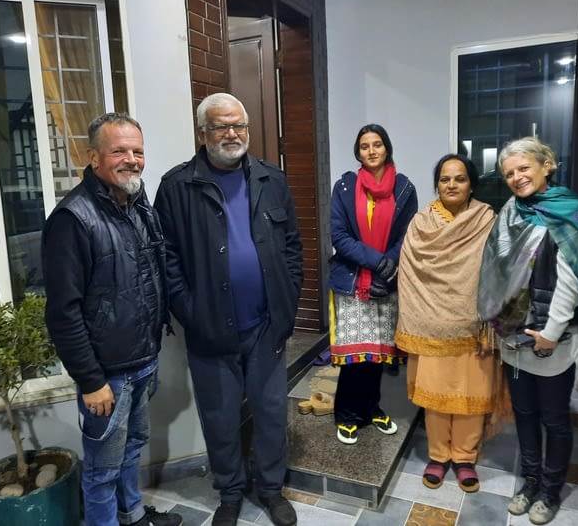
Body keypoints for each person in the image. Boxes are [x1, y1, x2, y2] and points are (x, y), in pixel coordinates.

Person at [153, 93, 303, 526]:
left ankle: (271, 490)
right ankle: (231, 493)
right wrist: (190, 311)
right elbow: (166, 258)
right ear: (203, 133)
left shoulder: (271, 179)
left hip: (266, 325)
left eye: (239, 125)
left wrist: (287, 300)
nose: (232, 133)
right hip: (210, 329)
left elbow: (293, 247)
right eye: (221, 126)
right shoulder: (178, 187)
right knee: (219, 418)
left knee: (271, 412)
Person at [42, 112, 181, 526]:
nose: (132, 160)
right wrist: (90, 380)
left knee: (132, 447)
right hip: (107, 376)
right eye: (119, 151)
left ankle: (132, 515)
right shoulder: (72, 219)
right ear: (94, 157)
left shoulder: (138, 205)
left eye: (138, 151)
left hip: (143, 360)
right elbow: (63, 311)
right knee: (102, 470)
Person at [477, 137, 578, 525]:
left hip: (553, 339)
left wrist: (551, 332)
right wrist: (497, 319)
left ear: (546, 165)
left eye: (524, 168)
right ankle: (530, 481)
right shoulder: (511, 211)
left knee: (554, 419)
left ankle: (550, 491)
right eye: (509, 173)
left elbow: (572, 281)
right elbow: (498, 268)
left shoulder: (571, 212)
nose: (517, 177)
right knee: (524, 413)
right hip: (514, 336)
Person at [395, 154, 496, 493]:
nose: (452, 184)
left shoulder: (486, 219)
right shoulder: (422, 223)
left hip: (474, 323)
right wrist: (421, 313)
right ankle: (438, 456)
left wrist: (491, 318)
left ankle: (465, 458)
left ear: (472, 185)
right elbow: (409, 273)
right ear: (437, 184)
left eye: (460, 178)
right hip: (431, 322)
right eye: (445, 179)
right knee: (436, 397)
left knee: (471, 393)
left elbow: (498, 272)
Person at [328, 123, 418, 445]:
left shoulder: (404, 188)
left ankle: (371, 409)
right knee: (356, 356)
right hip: (353, 281)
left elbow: (407, 234)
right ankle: (346, 413)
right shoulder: (344, 187)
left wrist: (386, 268)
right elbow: (339, 236)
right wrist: (377, 262)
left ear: (387, 147)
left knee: (378, 354)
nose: (371, 151)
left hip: (386, 282)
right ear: (358, 152)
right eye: (364, 146)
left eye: (377, 144)